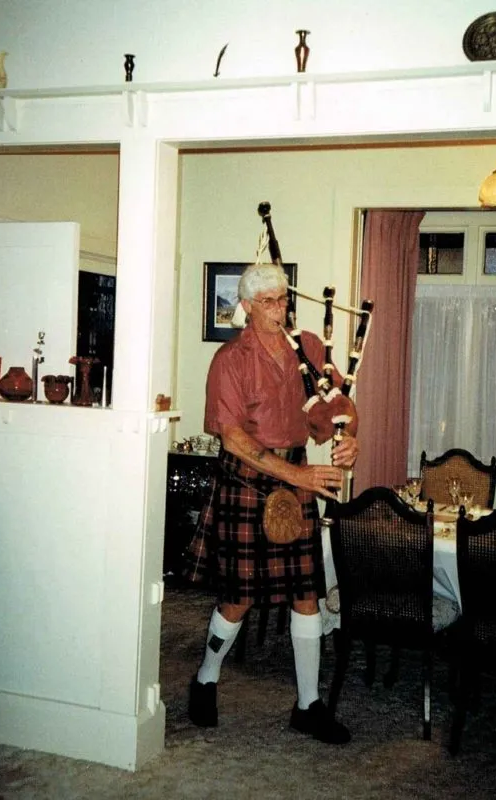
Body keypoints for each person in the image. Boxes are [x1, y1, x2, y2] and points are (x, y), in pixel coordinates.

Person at [184, 262, 359, 745]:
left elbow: (339, 407)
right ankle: (205, 678)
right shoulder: (229, 360)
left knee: (306, 594)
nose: (280, 309)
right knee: (238, 597)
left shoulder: (309, 349)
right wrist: (297, 475)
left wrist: (350, 437)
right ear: (246, 306)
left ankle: (308, 706)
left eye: (284, 299)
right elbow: (233, 439)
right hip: (248, 481)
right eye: (268, 302)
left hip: (295, 476)